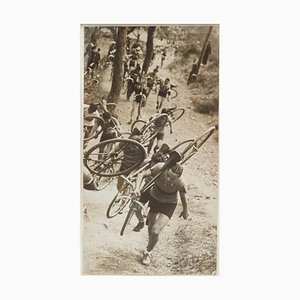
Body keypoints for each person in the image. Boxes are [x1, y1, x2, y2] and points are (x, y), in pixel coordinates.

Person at [133, 162, 189, 265]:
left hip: (169, 204)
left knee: (156, 231)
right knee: (151, 227)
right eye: (168, 175)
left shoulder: (181, 183)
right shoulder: (160, 167)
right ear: (167, 170)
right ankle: (149, 245)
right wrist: (137, 188)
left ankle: (147, 252)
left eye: (173, 178)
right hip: (154, 198)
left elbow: (183, 197)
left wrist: (185, 210)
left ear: (178, 177)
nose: (168, 179)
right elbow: (141, 174)